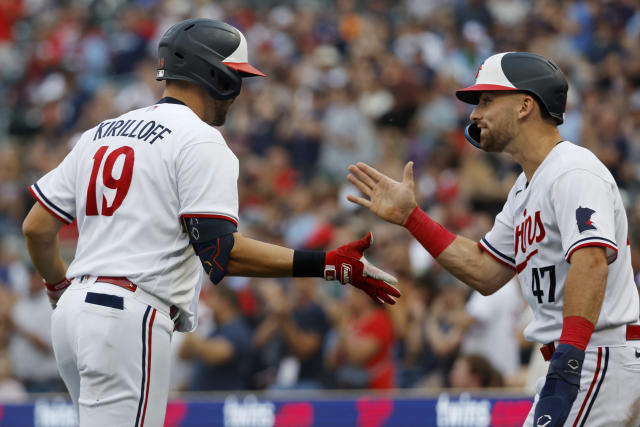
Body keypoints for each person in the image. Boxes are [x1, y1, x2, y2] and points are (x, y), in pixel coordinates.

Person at [21, 19, 400, 426]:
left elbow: (36, 228)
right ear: (216, 75)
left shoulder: (100, 133)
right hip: (126, 314)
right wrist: (327, 263)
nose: (238, 90)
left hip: (74, 314)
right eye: (237, 76)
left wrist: (59, 287)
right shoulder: (199, 138)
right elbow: (221, 253)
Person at [347, 51, 640, 426]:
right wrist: (412, 218)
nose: (474, 114)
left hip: (595, 356)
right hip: (582, 358)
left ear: (524, 105)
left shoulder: (573, 169)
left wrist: (569, 361)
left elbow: (592, 261)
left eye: (486, 100)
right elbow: (485, 271)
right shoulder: (524, 189)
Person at [179, 284, 253, 391]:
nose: (207, 303)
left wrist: (190, 325)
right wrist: (194, 325)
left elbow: (215, 356)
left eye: (211, 297)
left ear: (225, 302)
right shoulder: (214, 331)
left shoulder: (238, 329)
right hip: (201, 401)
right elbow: (183, 355)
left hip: (224, 402)